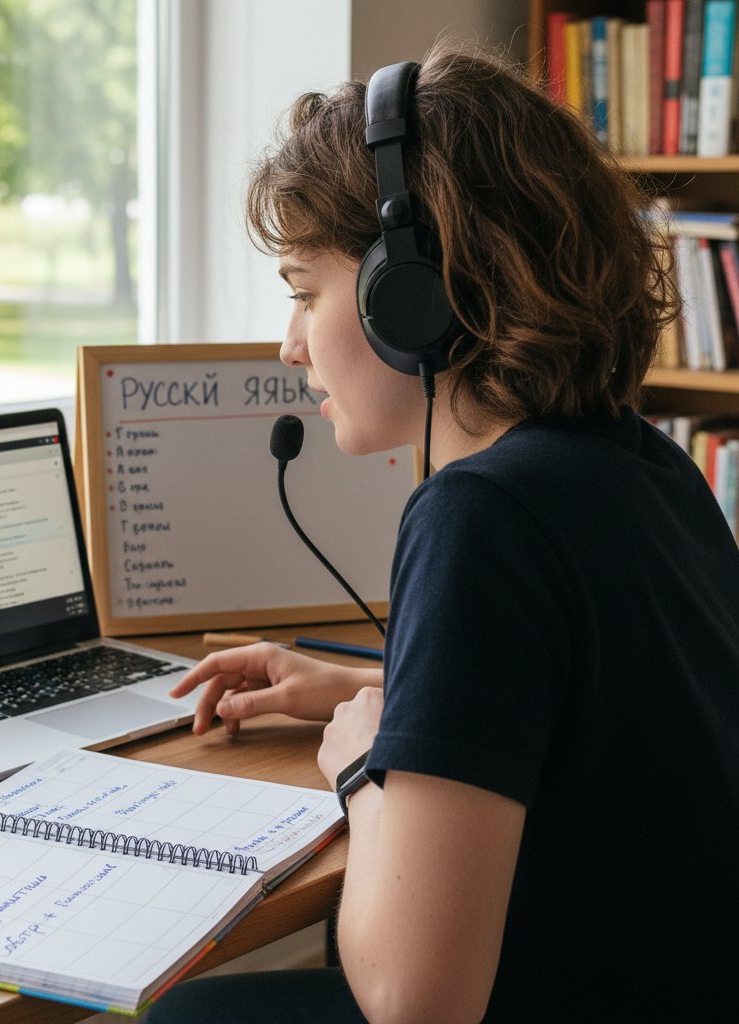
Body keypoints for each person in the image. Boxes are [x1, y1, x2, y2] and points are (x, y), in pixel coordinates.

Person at [144, 42, 739, 1024]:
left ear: (410, 290)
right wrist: (380, 697)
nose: (288, 343)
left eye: (302, 290)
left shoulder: (480, 513)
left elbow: (413, 1002)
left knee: (185, 1015)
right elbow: (602, 725)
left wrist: (362, 765)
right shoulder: (640, 463)